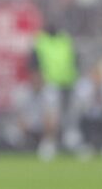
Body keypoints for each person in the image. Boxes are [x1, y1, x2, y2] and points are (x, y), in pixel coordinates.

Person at [29, 21, 79, 160]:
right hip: (50, 82)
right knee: (52, 114)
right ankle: (50, 142)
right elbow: (34, 62)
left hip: (68, 82)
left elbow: (74, 59)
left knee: (70, 114)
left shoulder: (64, 40)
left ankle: (71, 139)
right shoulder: (41, 41)